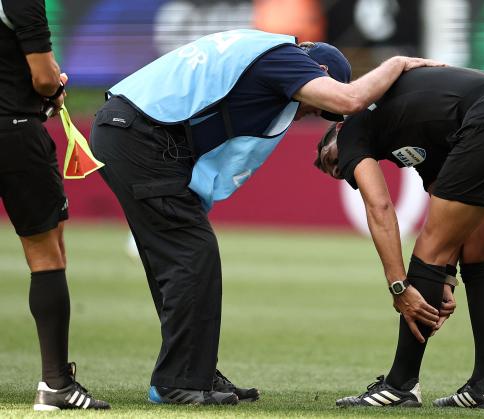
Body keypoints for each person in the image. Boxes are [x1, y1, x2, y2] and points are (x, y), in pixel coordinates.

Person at [89, 28, 444, 405]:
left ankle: (196, 373)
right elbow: (350, 98)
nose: (303, 113)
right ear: (318, 70)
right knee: (193, 255)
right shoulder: (284, 59)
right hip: (139, 137)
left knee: (189, 257)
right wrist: (399, 62)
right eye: (310, 106)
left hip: (132, 132)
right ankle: (179, 381)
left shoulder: (260, 55)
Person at [314, 65, 484, 409]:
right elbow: (448, 215)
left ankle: (400, 386)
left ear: (337, 129)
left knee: (427, 247)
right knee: (477, 254)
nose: (340, 170)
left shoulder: (353, 123)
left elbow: (381, 208)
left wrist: (399, 285)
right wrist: (445, 275)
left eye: (332, 159)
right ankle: (482, 387)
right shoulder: (410, 134)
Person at [0, 0, 109, 411]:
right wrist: (54, 88)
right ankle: (55, 384)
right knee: (46, 254)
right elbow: (44, 79)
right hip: (13, 133)